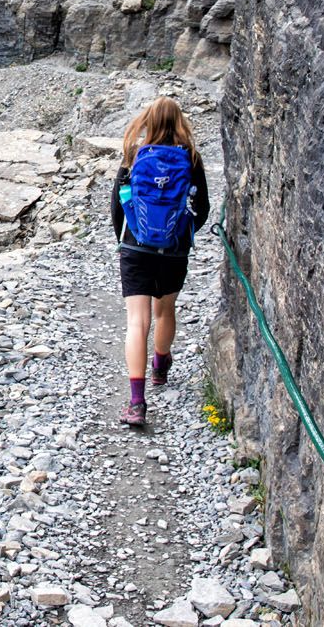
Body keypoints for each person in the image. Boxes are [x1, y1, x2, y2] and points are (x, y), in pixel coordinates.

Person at [111, 96, 210, 426]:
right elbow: (204, 208)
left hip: (135, 249)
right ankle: (160, 365)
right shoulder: (191, 158)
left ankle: (137, 403)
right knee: (165, 309)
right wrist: (182, 234)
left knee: (137, 322)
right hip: (174, 250)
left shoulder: (134, 154)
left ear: (148, 121)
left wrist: (125, 241)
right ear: (180, 122)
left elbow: (117, 205)